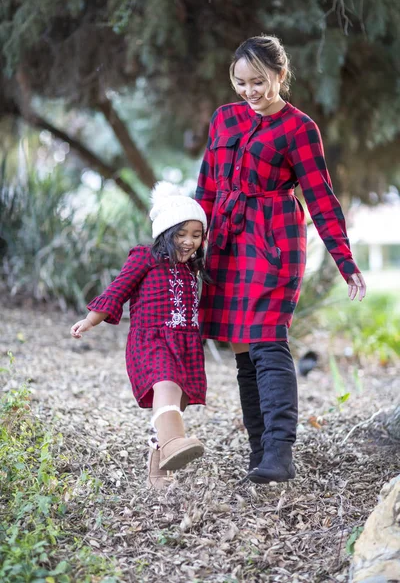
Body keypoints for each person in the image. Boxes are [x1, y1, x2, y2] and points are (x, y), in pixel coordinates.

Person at [195, 34, 366, 485]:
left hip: (274, 243)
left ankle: (280, 452)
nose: (250, 91)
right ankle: (260, 452)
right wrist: (194, 245)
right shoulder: (224, 120)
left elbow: (322, 198)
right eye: (241, 82)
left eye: (259, 82)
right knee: (243, 352)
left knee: (269, 342)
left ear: (280, 76)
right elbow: (207, 187)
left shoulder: (299, 128)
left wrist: (344, 260)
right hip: (229, 244)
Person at [70, 182, 209, 490]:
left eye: (196, 235)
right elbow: (117, 290)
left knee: (173, 402)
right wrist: (90, 320)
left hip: (184, 343)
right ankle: (174, 442)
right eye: (181, 234)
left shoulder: (193, 270)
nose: (189, 242)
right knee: (167, 387)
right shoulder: (145, 257)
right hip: (151, 340)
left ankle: (157, 472)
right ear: (164, 234)